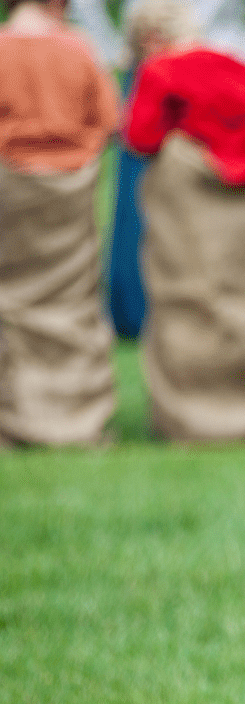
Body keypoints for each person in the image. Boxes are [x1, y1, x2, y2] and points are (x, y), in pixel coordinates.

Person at [123, 0, 245, 442]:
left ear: (150, 39)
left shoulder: (162, 71)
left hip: (189, 203)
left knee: (187, 297)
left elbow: (140, 137)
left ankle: (191, 417)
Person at [69, 0, 245, 341]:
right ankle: (140, 310)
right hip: (154, 64)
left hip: (219, 68)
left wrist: (244, 51)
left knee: (220, 206)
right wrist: (110, 48)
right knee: (141, 201)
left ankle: (229, 309)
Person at [0, 0, 119, 447]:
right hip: (70, 191)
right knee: (72, 301)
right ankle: (75, 421)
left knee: (11, 300)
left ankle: (14, 421)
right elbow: (109, 119)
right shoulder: (78, 48)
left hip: (8, 187)